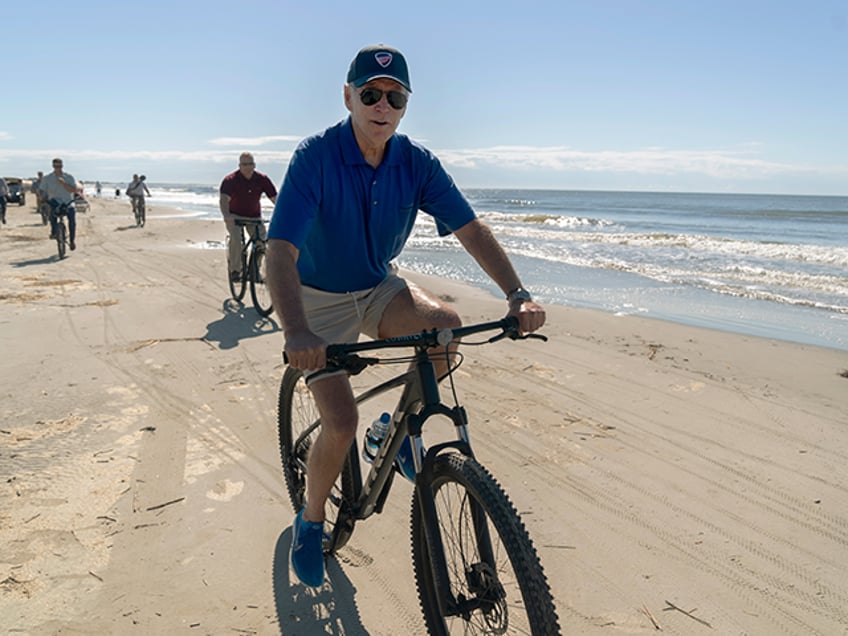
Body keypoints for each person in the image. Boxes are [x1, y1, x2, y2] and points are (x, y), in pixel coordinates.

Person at [265, 44, 545, 588]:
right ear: (348, 97)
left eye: (395, 97)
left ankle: (390, 431)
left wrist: (517, 294)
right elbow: (280, 251)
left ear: (405, 105)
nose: (382, 104)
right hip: (316, 298)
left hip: (375, 287)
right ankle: (312, 518)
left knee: (445, 328)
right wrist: (296, 329)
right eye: (370, 93)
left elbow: (470, 229)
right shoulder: (315, 156)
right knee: (340, 422)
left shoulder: (416, 162)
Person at [219, 152, 278, 281]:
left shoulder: (262, 179)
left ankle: (254, 271)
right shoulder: (230, 180)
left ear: (254, 165)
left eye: (250, 164)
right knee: (236, 239)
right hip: (235, 216)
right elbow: (224, 200)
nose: (247, 167)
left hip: (254, 216)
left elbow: (274, 198)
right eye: (244, 164)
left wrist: (283, 213)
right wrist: (227, 216)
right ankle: (235, 270)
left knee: (261, 242)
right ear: (239, 166)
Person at [41, 158, 80, 250]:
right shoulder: (47, 178)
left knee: (72, 221)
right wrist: (42, 196)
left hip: (67, 202)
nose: (57, 168)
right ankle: (54, 232)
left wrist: (64, 184)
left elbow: (73, 190)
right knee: (52, 216)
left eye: (59, 166)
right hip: (55, 202)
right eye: (55, 166)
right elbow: (42, 190)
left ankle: (72, 241)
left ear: (62, 166)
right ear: (53, 166)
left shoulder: (68, 177)